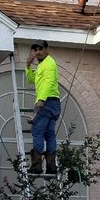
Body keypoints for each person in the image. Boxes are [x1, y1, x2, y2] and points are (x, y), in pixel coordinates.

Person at [25, 41, 60, 174]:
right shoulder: (42, 65)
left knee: (37, 131)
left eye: (40, 49)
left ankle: (36, 166)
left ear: (47, 50)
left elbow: (50, 82)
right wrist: (28, 66)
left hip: (46, 102)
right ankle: (51, 167)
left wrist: (41, 99)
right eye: (35, 50)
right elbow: (31, 80)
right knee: (49, 133)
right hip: (53, 102)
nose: (37, 52)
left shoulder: (49, 63)